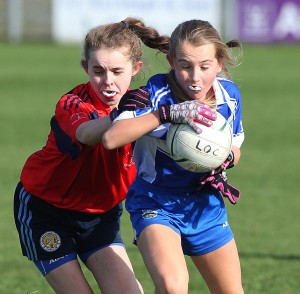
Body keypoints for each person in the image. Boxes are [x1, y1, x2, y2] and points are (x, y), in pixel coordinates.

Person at [13, 17, 174, 294]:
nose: (107, 81)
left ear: (135, 69)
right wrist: (118, 114)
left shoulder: (145, 106)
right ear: (85, 68)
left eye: (116, 71)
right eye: (98, 71)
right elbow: (87, 134)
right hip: (46, 213)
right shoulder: (73, 103)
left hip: (101, 217)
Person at [102, 19, 245, 293]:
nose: (194, 77)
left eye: (205, 67)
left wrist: (225, 159)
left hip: (204, 205)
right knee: (172, 287)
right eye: (185, 66)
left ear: (218, 62)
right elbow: (111, 138)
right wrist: (163, 115)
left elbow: (235, 147)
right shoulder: (155, 94)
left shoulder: (230, 97)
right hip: (156, 202)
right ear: (171, 60)